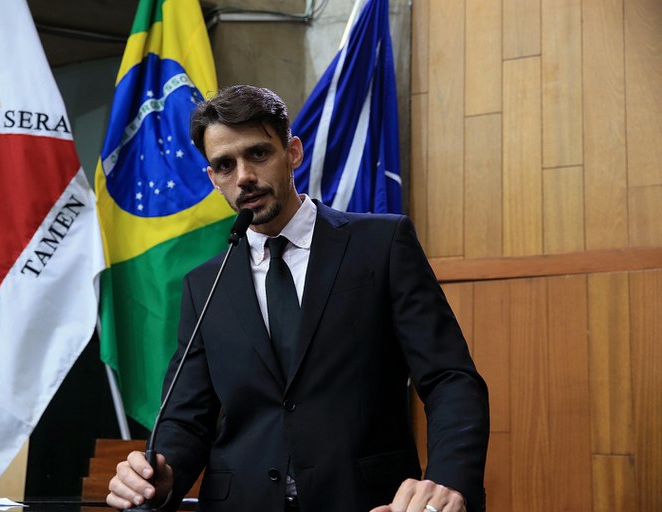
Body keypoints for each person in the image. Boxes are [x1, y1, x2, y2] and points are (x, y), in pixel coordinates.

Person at [106, 85, 489, 512]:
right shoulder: (205, 283)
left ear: (293, 153)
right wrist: (163, 474)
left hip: (366, 501)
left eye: (258, 154)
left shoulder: (381, 245)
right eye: (225, 165)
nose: (244, 176)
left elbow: (449, 378)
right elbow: (186, 419)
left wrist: (448, 480)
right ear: (213, 179)